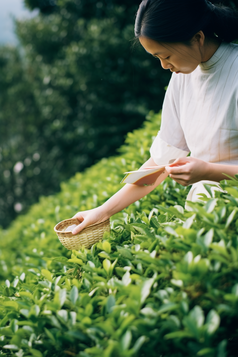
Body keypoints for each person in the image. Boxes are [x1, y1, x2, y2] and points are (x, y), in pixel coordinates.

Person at [72, 0, 238, 235]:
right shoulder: (183, 77)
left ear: (197, 38)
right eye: (156, 57)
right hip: (202, 221)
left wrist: (209, 171)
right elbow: (160, 163)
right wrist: (103, 211)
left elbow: (207, 170)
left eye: (166, 55)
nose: (163, 65)